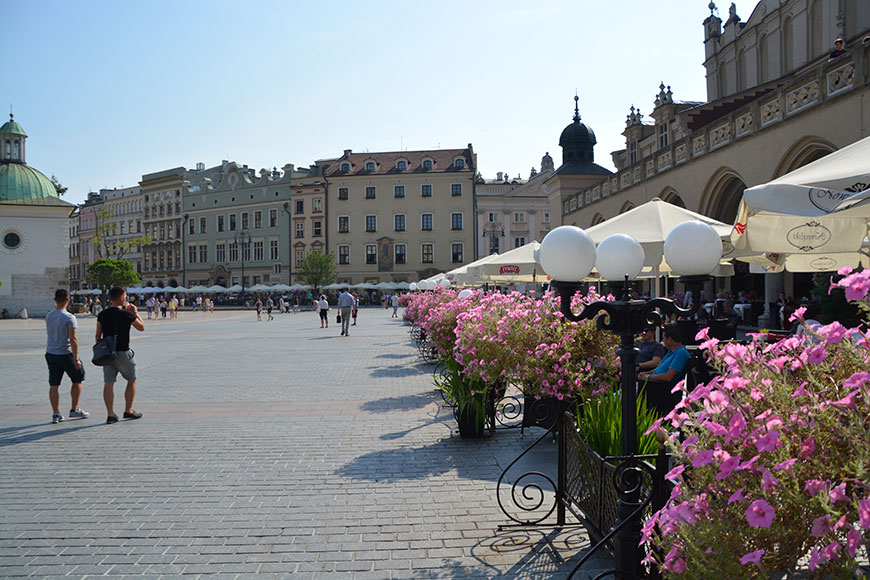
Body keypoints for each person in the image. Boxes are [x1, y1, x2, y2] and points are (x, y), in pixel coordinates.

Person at [96, 286, 145, 424]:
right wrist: (136, 313)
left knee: (108, 383)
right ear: (122, 297)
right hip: (123, 352)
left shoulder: (102, 314)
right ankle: (128, 410)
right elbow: (141, 327)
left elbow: (97, 335)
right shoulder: (126, 314)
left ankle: (110, 414)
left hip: (107, 354)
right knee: (131, 380)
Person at [45, 289, 89, 424]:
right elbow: (73, 339)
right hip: (65, 353)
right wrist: (76, 359)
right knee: (78, 378)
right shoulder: (69, 317)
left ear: (54, 300)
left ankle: (56, 413)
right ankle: (74, 409)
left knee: (54, 384)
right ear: (68, 300)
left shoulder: (49, 315)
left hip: (51, 353)